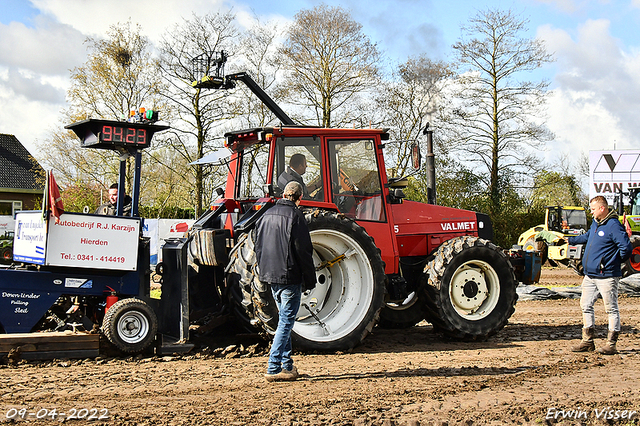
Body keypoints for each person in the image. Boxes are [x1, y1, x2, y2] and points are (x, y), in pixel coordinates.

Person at [254, 181, 317, 382]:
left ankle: (287, 366)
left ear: (283, 194)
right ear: (299, 197)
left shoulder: (266, 214)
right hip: (289, 276)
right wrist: (310, 279)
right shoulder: (296, 216)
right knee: (286, 322)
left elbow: (258, 246)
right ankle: (273, 368)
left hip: (271, 276)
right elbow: (304, 252)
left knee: (283, 319)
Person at [569, 195, 632, 355]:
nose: (591, 212)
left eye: (593, 209)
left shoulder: (613, 226)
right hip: (590, 275)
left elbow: (626, 248)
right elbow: (587, 237)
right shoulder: (596, 224)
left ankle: (611, 343)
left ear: (602, 209)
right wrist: (571, 240)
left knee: (611, 308)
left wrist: (611, 262)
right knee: (585, 304)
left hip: (607, 275)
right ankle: (587, 341)